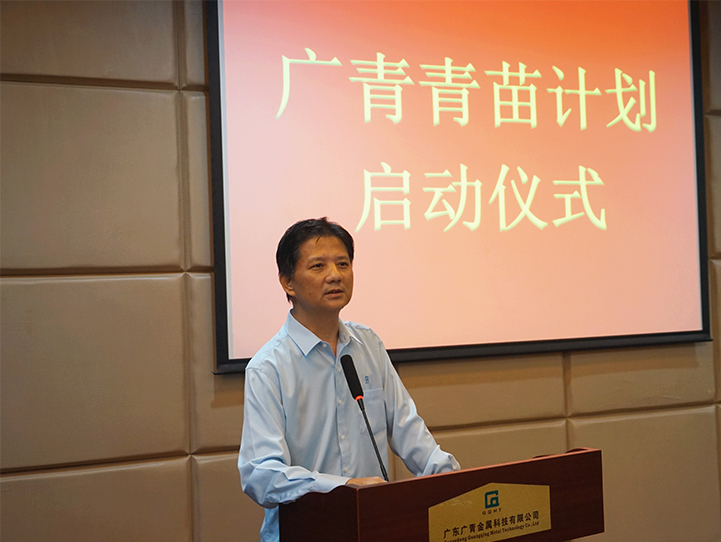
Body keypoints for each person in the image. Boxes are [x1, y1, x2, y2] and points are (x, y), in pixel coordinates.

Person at [238, 217, 460, 542]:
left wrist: (452, 481)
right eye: (318, 266)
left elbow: (408, 430)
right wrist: (344, 488)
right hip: (306, 532)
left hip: (373, 528)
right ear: (288, 282)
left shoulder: (368, 345)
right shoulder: (268, 367)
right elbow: (261, 474)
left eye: (343, 264)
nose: (335, 275)